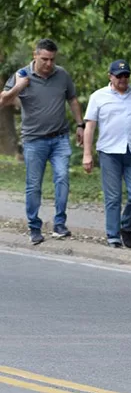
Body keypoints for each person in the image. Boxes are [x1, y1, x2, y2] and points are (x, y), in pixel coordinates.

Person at [1, 38, 84, 244]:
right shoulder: (21, 75)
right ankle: (34, 227)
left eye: (52, 59)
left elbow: (72, 99)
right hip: (34, 141)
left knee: (63, 177)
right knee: (34, 185)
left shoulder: (62, 74)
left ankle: (59, 225)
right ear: (35, 55)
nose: (48, 64)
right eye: (44, 59)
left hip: (60, 138)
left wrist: (80, 125)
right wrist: (18, 87)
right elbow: (3, 100)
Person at [81, 60, 131, 248]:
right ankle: (113, 235)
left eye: (126, 75)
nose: (123, 79)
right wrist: (87, 154)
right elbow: (90, 127)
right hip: (109, 152)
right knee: (113, 197)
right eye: (119, 75)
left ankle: (125, 225)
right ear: (110, 76)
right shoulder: (98, 96)